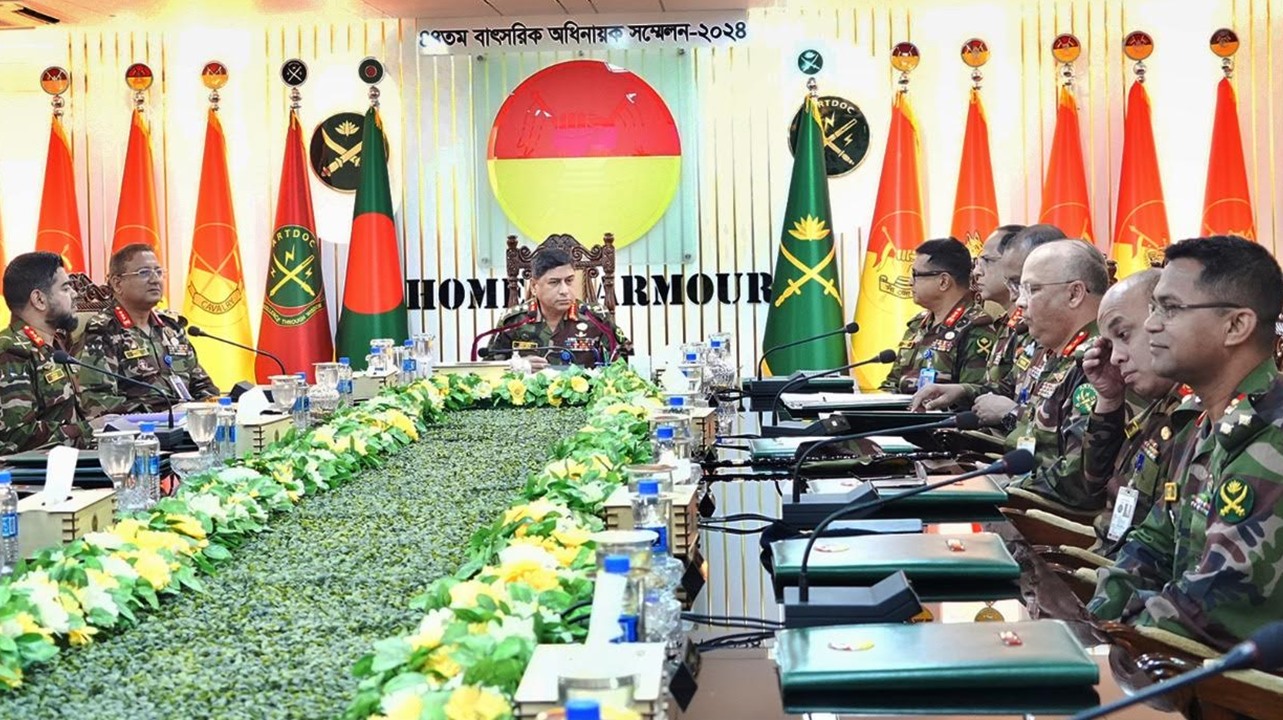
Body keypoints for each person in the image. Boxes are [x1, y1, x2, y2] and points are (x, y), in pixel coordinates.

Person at [1090, 235, 1283, 651]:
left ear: (1236, 326)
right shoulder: (1201, 420)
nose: (1151, 324)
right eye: (1154, 307)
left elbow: (1213, 610)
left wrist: (1112, 640)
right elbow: (1151, 543)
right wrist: (1095, 622)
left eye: (1170, 308)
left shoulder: (1272, 438)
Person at [1079, 269, 1195, 551]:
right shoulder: (1159, 408)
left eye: (1124, 335)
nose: (1115, 358)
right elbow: (1093, 489)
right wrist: (1109, 401)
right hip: (1108, 558)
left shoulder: (1197, 417)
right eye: (1110, 345)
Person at [911, 224, 1064, 413]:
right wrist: (961, 391)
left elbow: (1052, 422)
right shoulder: (1009, 325)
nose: (976, 272)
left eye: (987, 260)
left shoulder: (1070, 346)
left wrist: (1012, 414)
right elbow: (1007, 389)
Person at [1004, 239, 1107, 500]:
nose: (1020, 302)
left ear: (1074, 294)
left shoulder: (1097, 361)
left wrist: (1001, 487)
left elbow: (1075, 480)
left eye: (1032, 289)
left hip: (1045, 510)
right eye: (1020, 290)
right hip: (1026, 492)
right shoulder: (1057, 354)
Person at [80, 244, 219, 415]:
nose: (155, 280)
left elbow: (203, 386)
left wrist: (208, 407)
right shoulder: (103, 331)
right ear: (117, 283)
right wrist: (163, 414)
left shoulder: (171, 328)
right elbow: (97, 401)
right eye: (144, 273)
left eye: (159, 272)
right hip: (141, 427)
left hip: (187, 423)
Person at [0, 252, 93, 453]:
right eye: (65, 288)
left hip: (76, 459)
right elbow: (18, 437)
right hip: (36, 469)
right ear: (39, 299)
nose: (75, 294)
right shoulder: (11, 352)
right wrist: (89, 430)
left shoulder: (56, 345)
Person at [879, 238, 996, 393]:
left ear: (943, 282)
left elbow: (972, 394)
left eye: (916, 274)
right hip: (903, 407)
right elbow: (892, 383)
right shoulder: (918, 325)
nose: (910, 282)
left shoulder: (976, 328)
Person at [486, 248, 632, 370]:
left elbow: (623, 362)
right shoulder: (514, 320)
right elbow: (487, 369)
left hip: (585, 394)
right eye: (554, 282)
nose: (564, 290)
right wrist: (515, 366)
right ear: (534, 286)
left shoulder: (596, 317)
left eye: (569, 281)